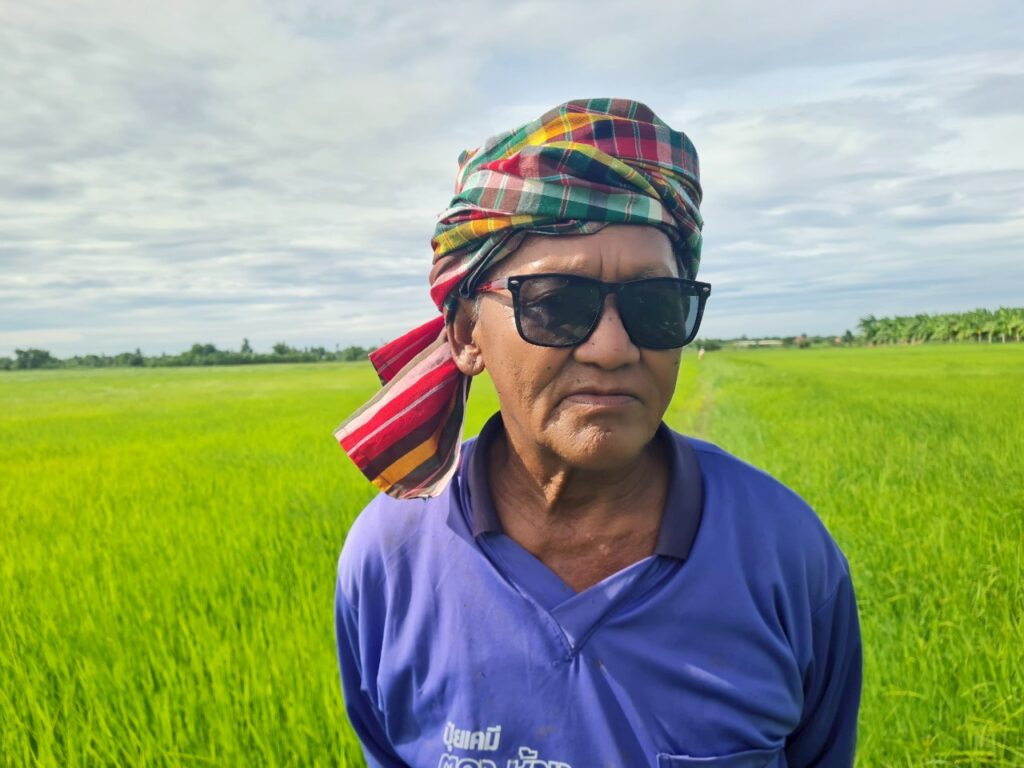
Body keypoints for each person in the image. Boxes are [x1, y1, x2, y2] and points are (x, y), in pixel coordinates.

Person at [333, 99, 861, 768]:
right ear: (467, 333)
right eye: (556, 303)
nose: (612, 349)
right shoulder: (389, 561)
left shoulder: (786, 554)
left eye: (655, 305)